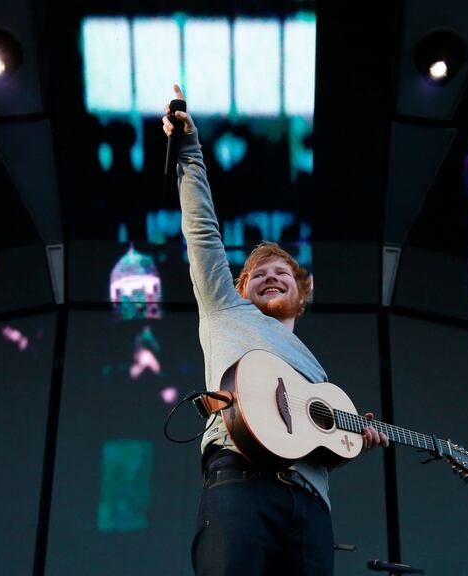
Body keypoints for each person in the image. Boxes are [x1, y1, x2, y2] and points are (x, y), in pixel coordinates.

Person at [163, 84, 389, 576]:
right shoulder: (225, 311)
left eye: (282, 271)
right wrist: (190, 150)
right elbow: (201, 230)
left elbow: (315, 442)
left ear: (301, 293)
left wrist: (355, 438)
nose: (269, 275)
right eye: (257, 273)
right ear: (238, 290)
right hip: (241, 484)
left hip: (311, 509)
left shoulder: (316, 370)